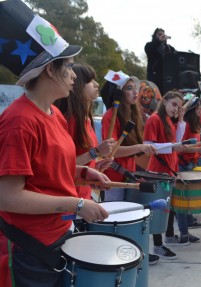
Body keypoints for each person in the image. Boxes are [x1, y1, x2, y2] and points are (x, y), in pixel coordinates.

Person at [0, 1, 109, 286]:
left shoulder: (55, 113)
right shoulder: (19, 121)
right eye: (69, 66)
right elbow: (8, 197)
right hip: (28, 248)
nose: (74, 74)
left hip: (58, 236)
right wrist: (77, 203)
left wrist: (84, 173)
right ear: (49, 70)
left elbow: (48, 172)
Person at [54, 63, 116, 200]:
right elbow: (62, 167)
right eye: (89, 81)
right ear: (77, 86)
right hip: (70, 198)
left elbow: (80, 164)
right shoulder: (70, 120)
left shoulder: (86, 120)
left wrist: (95, 166)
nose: (96, 84)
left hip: (83, 195)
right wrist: (96, 152)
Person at [100, 70, 156, 201]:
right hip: (114, 179)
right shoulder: (110, 116)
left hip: (130, 175)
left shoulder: (134, 114)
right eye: (129, 88)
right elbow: (112, 152)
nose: (135, 92)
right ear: (119, 93)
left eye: (135, 88)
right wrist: (139, 147)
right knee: (116, 218)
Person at [143, 91, 185, 259]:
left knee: (167, 207)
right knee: (159, 208)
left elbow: (176, 142)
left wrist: (181, 121)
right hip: (158, 170)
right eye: (174, 104)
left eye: (179, 106)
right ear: (165, 101)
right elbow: (148, 146)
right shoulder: (154, 119)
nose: (176, 109)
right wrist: (172, 147)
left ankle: (163, 241)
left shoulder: (167, 119)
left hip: (169, 168)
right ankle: (158, 245)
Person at [175, 94, 201, 242]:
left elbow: (193, 145)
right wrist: (197, 150)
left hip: (190, 164)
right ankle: (183, 234)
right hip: (182, 165)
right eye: (199, 108)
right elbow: (180, 148)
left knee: (186, 200)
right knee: (181, 202)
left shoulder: (195, 124)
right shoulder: (186, 124)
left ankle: (187, 226)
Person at [144, 28, 176, 94]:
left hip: (166, 79)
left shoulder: (170, 48)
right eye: (159, 34)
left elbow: (176, 57)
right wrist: (158, 40)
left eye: (163, 35)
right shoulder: (149, 45)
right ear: (155, 36)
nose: (162, 36)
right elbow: (149, 49)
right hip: (154, 78)